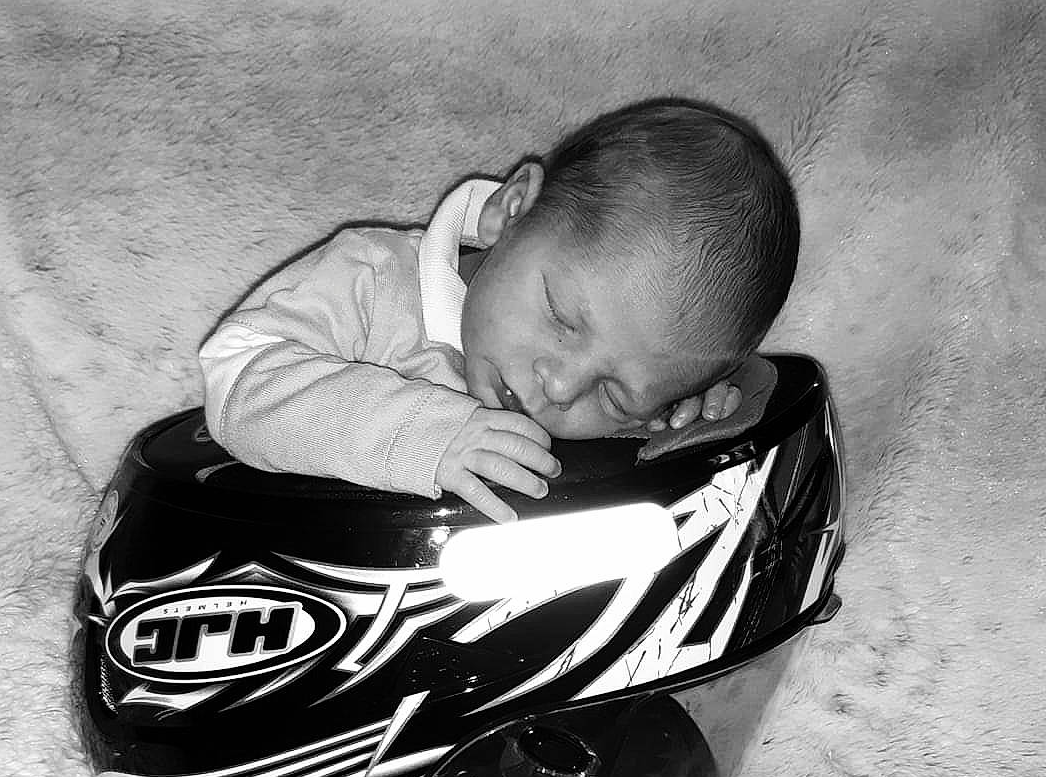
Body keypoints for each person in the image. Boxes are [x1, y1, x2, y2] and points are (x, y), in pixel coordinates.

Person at [199, 97, 799, 522]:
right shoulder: (372, 280)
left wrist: (685, 415)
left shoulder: (624, 381)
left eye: (616, 394)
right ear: (508, 211)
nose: (561, 388)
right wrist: (426, 435)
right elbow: (234, 376)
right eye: (562, 317)